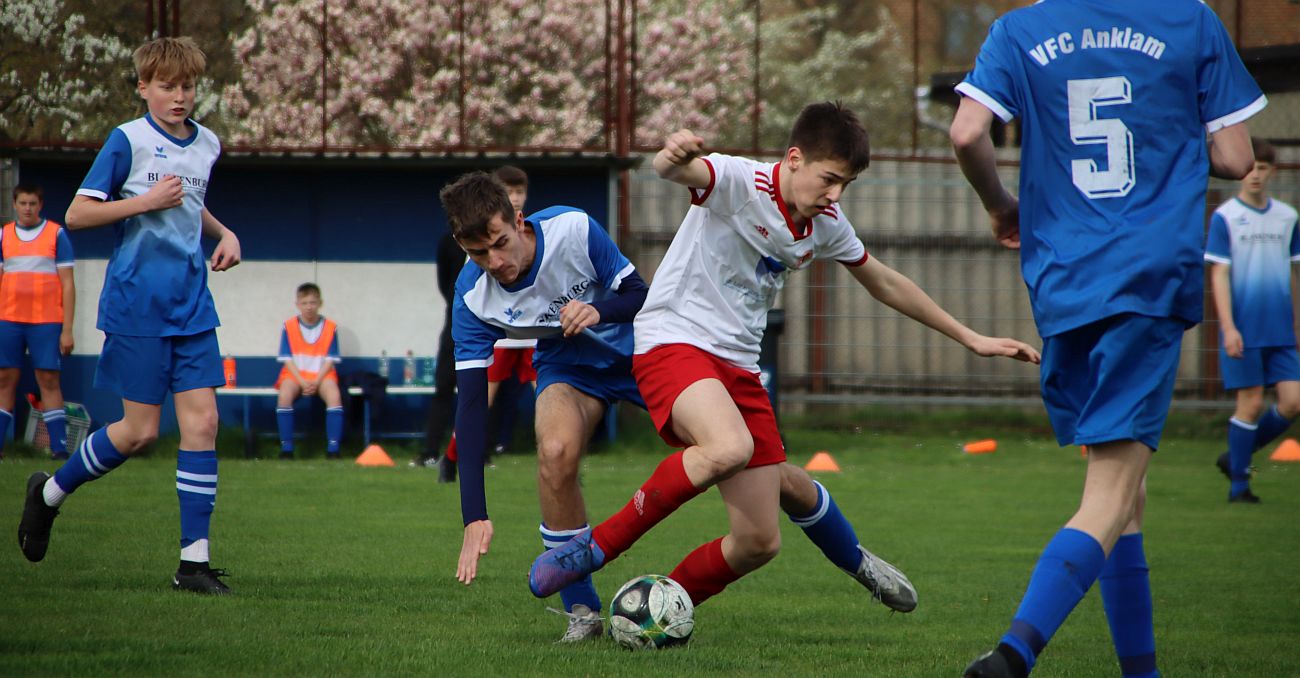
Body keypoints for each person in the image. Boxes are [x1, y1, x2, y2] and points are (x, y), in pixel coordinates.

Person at [529, 103, 1039, 616]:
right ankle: (594, 549)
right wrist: (672, 154)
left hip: (740, 367)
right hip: (674, 341)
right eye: (829, 179)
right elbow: (677, 170)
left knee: (758, 542)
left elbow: (884, 281)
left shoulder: (826, 223)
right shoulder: (737, 180)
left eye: (845, 184)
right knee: (728, 447)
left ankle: (662, 605)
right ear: (794, 158)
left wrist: (970, 338)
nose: (835, 195)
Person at [948, 2, 1262, 675]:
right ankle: (1013, 653)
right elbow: (1235, 157)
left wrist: (1001, 205)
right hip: (1145, 277)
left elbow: (968, 131)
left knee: (1129, 497)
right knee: (1111, 494)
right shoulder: (1191, 20)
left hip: (1063, 282)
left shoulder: (1019, 29)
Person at [17, 36, 242, 595]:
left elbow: (190, 201)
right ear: (144, 88)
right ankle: (49, 493)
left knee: (203, 424)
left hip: (192, 306)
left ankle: (193, 563)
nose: (180, 96)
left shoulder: (207, 143)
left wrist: (225, 232)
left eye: (187, 86)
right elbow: (77, 214)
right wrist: (143, 202)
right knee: (139, 433)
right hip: (137, 306)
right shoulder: (128, 140)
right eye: (167, 86)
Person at [1205, 138, 1300, 504]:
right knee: (1250, 404)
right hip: (1243, 329)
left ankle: (1236, 456)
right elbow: (1218, 275)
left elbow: (1293, 275)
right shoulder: (1226, 217)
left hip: (1280, 329)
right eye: (1251, 167)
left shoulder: (1288, 217)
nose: (1255, 174)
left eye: (1262, 167)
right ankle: (1239, 487)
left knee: (1293, 402)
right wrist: (1228, 327)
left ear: (1273, 171)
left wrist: (1296, 321)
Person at [0, 183, 76, 460]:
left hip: (46, 320)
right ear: (15, 205)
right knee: (5, 379)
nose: (28, 208)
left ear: (40, 205)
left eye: (33, 203)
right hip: (8, 319)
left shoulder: (56, 234)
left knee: (48, 378)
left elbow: (68, 284)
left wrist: (67, 329)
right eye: (23, 203)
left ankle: (58, 448)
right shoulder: (3, 236)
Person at [484, 165, 538, 456]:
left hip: (535, 328)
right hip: (502, 330)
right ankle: (466, 448)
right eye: (509, 192)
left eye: (520, 192)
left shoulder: (533, 228)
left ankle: (554, 449)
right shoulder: (485, 232)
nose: (515, 198)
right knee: (485, 390)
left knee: (546, 388)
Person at [275, 282, 343, 460]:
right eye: (304, 303)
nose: (309, 307)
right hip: (296, 373)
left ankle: (333, 449)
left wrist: (316, 381)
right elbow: (286, 359)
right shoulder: (289, 326)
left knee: (334, 396)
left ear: (320, 303)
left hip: (322, 374)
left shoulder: (330, 326)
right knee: (284, 396)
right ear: (297, 304)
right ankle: (287, 449)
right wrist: (303, 381)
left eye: (313, 302)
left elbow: (330, 359)